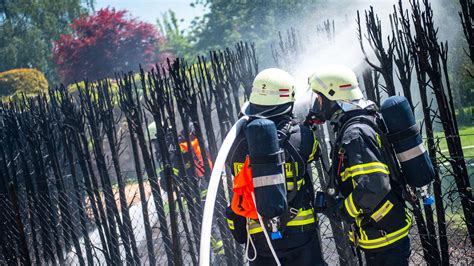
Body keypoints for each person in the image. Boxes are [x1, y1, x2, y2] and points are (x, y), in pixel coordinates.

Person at [306, 65, 412, 265]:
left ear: (332, 96)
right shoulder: (362, 121)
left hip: (383, 235)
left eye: (319, 99)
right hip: (383, 228)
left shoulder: (355, 134)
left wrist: (343, 210)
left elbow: (373, 187)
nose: (317, 105)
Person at [226, 68, 325, 265]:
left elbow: (233, 168)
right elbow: (314, 152)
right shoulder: (301, 135)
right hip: (300, 230)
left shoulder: (235, 142)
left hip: (258, 234)